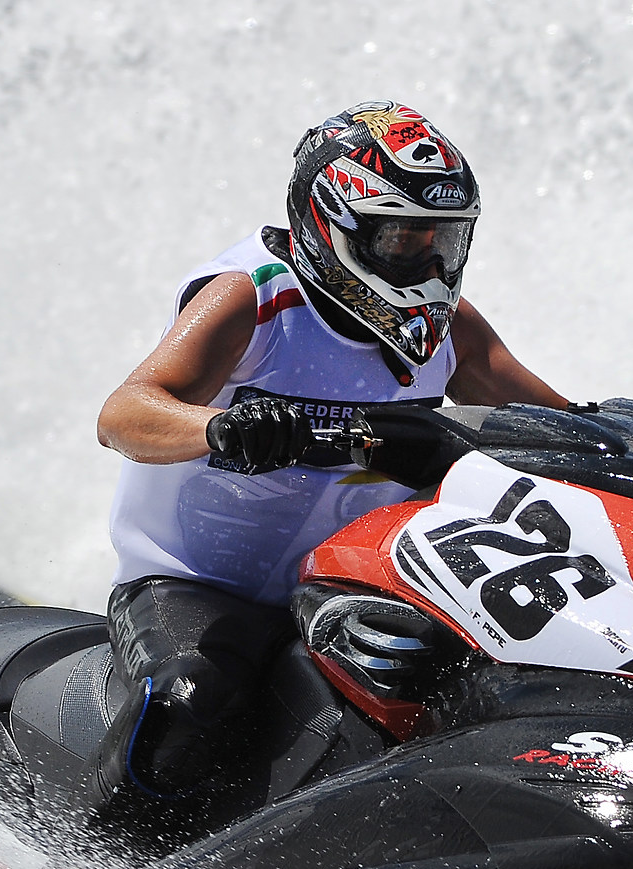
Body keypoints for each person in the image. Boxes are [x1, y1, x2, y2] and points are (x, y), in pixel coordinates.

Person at [93, 100, 567, 803]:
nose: (429, 262)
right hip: (193, 585)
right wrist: (219, 428)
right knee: (189, 701)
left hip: (347, 587)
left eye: (444, 239)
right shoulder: (248, 299)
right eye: (405, 239)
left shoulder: (450, 331)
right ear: (334, 223)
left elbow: (555, 425)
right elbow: (122, 413)